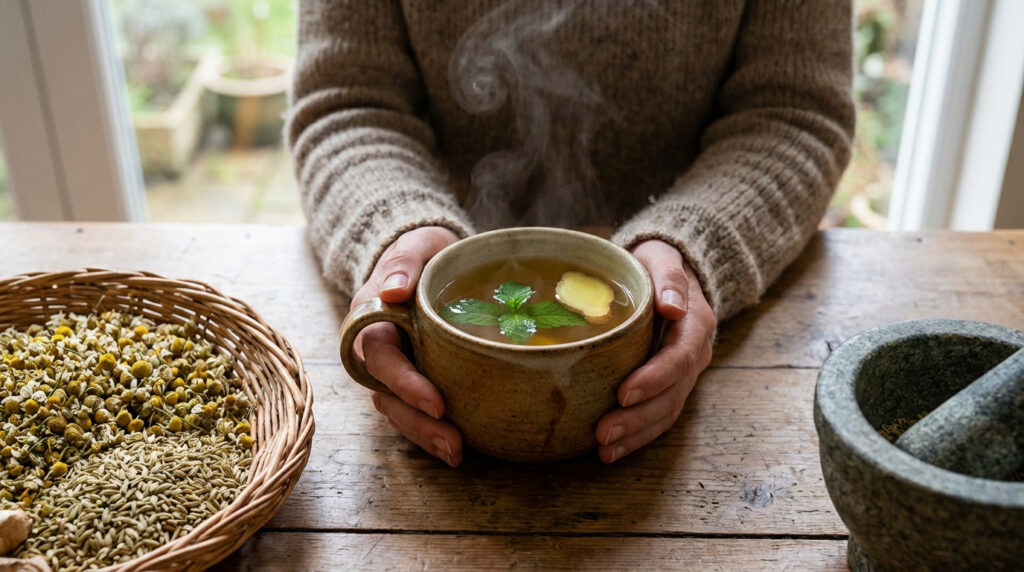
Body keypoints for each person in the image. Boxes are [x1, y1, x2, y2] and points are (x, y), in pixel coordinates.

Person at [287, 1, 855, 467]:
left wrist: (691, 243)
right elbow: (348, 103)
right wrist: (398, 231)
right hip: (434, 292)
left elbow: (793, 113)